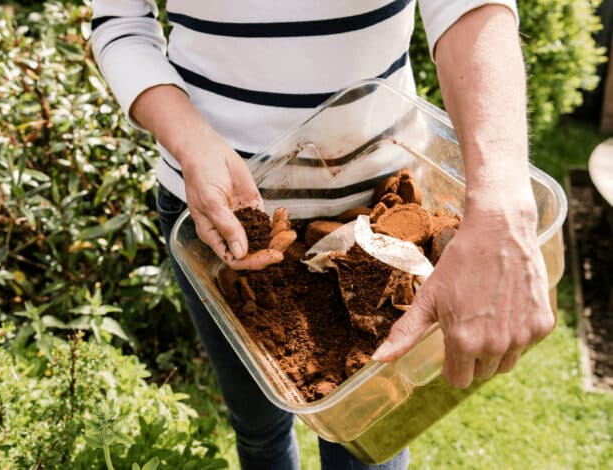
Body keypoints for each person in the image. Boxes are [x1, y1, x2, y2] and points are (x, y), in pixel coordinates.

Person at [90, 1, 555, 468]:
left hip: (382, 222)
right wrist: (191, 141)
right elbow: (120, 22)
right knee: (258, 429)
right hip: (221, 226)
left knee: (368, 451)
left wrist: (501, 209)